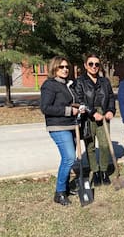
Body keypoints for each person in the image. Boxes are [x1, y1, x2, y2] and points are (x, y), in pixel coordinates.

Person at [40, 56, 83, 206]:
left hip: (71, 125)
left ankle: (64, 188)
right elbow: (45, 108)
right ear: (54, 68)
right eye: (61, 67)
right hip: (58, 127)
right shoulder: (49, 85)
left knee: (67, 158)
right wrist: (68, 111)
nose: (65, 69)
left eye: (66, 67)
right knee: (70, 158)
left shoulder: (68, 84)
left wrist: (78, 108)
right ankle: (59, 193)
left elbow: (72, 103)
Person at [74, 54, 116, 187]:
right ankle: (96, 172)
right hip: (87, 116)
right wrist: (92, 113)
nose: (94, 67)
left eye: (96, 64)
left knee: (104, 145)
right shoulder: (80, 81)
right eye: (91, 64)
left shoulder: (105, 81)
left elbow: (110, 97)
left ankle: (104, 171)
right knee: (90, 146)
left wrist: (111, 110)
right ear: (86, 65)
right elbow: (79, 100)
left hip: (103, 115)